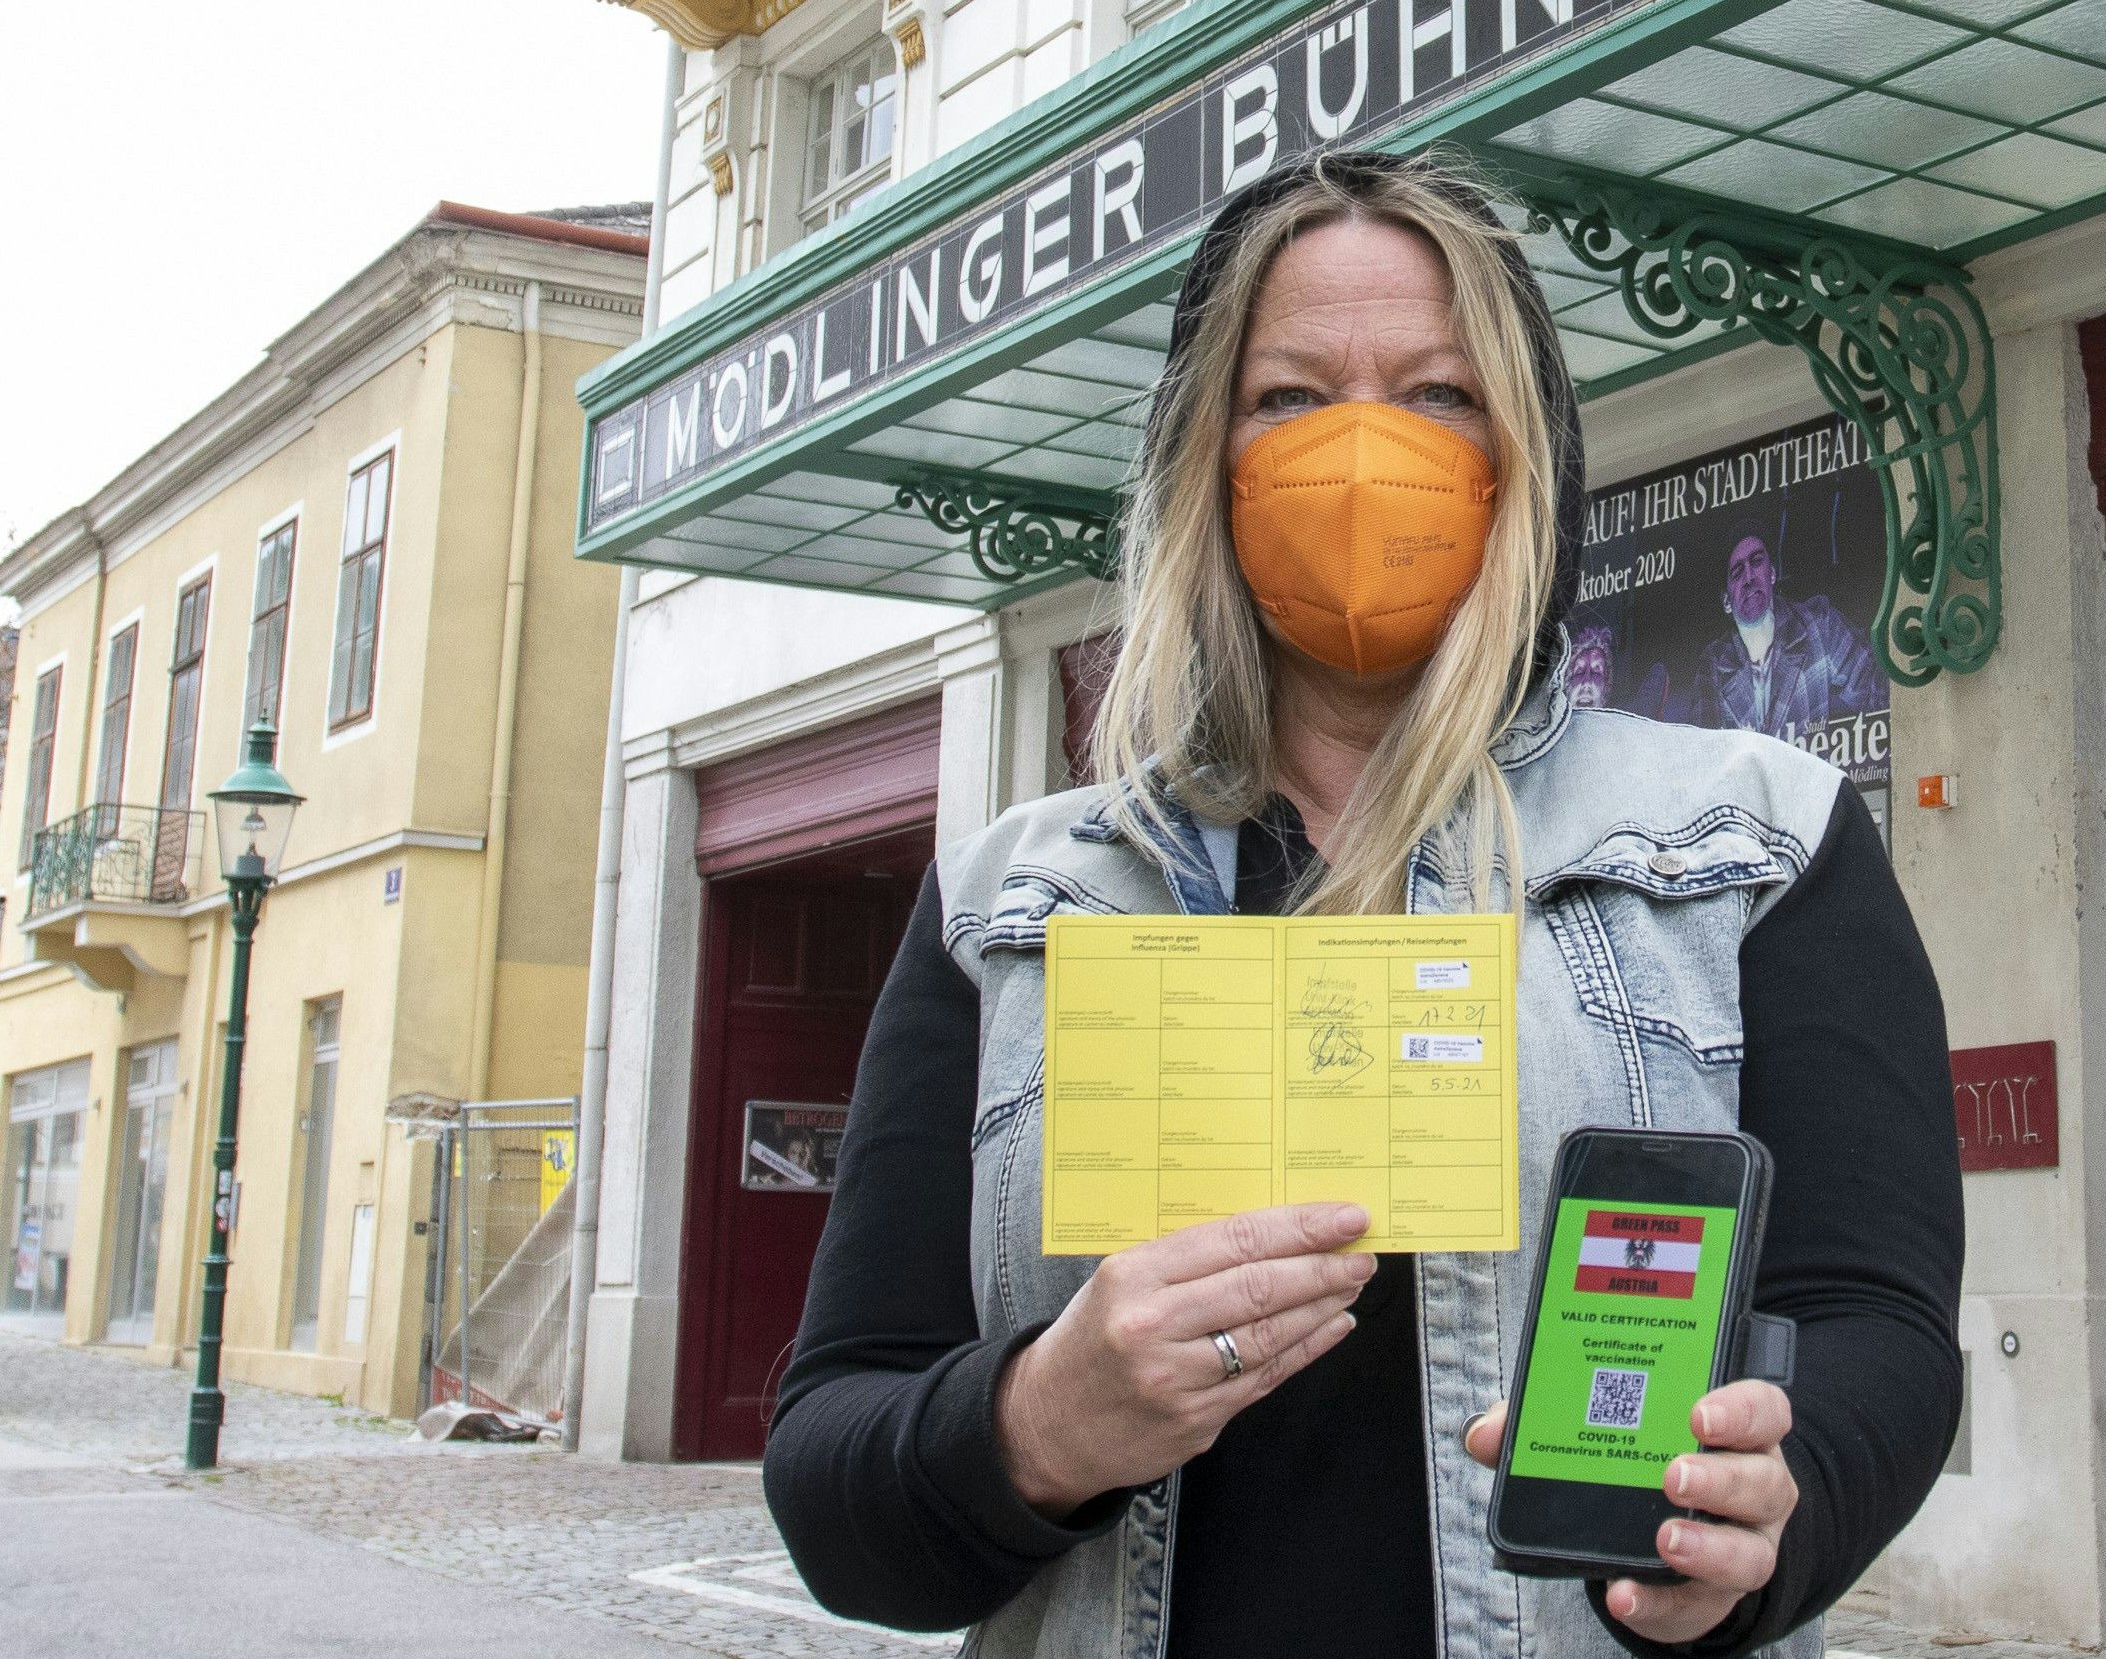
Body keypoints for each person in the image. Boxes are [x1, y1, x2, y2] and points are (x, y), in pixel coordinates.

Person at [761, 152, 1962, 1659]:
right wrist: (1035, 1423)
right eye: (1288, 398)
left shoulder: (1763, 838)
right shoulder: (1007, 899)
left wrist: (1768, 1513)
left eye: (1437, 393)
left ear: (1524, 454)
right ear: (1203, 453)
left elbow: (1881, 1329)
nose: (1361, 447)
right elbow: (834, 1461)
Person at [1691, 531, 1884, 738]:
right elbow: (1705, 754)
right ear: (1727, 602)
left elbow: (1880, 696)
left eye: (1756, 562)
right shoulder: (1713, 664)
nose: (1749, 578)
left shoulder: (1817, 623)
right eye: (1737, 572)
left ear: (1772, 574)